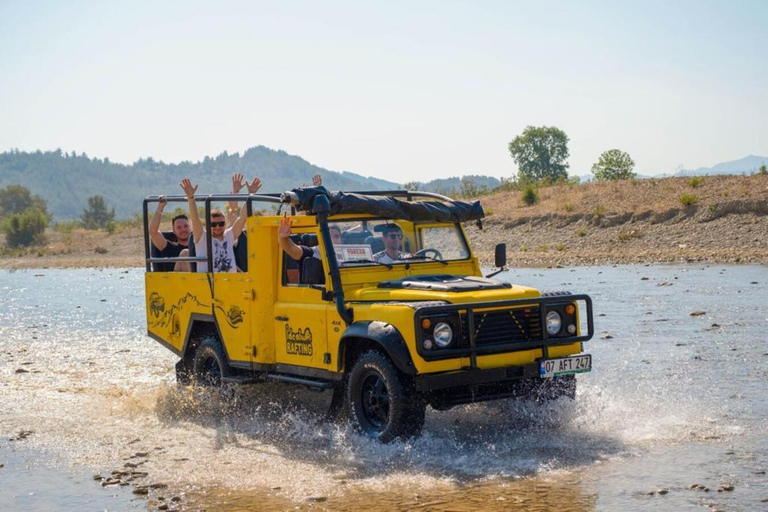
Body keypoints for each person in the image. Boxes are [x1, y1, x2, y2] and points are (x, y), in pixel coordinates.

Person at [181, 176, 262, 273]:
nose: (218, 227)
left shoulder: (229, 236)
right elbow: (195, 219)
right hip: (210, 284)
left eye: (221, 223)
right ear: (207, 225)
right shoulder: (202, 237)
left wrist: (250, 195)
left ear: (225, 223)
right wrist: (191, 198)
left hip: (231, 283)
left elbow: (242, 218)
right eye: (213, 224)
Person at [148, 196, 191, 272]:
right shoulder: (168, 247)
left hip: (199, 280)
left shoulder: (197, 247)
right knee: (185, 253)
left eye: (185, 226)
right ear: (174, 231)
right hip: (175, 282)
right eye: (179, 227)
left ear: (190, 228)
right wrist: (160, 207)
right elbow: (153, 232)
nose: (183, 230)